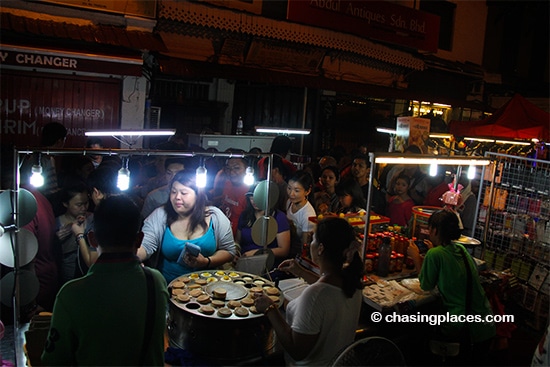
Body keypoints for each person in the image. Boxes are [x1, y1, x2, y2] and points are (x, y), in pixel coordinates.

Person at [41, 195, 169, 366]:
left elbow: (53, 361)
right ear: (139, 240)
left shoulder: (70, 294)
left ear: (93, 239)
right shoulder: (156, 281)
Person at [254, 217, 363, 366]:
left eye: (313, 240)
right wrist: (300, 271)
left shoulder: (315, 295)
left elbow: (297, 350)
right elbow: (328, 289)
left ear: (320, 248)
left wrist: (270, 309)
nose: (310, 243)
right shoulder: (354, 283)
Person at [410, 209, 496, 363]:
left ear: (435, 230)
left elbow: (425, 284)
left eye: (429, 229)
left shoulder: (434, 254)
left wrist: (416, 257)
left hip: (462, 328)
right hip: (485, 323)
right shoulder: (461, 249)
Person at [138, 170, 236, 283]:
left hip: (207, 287)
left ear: (198, 195)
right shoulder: (160, 215)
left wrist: (206, 261)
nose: (177, 197)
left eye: (184, 193)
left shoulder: (215, 216)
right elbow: (145, 245)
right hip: (168, 285)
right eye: (173, 192)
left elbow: (229, 251)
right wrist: (133, 258)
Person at [235, 186, 291, 266]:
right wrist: (235, 253)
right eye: (251, 197)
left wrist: (257, 253)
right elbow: (237, 241)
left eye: (257, 197)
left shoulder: (279, 217)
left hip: (267, 264)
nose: (254, 200)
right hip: (244, 261)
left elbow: (284, 250)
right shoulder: (245, 215)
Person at [54, 183, 92, 284]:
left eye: (86, 203)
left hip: (89, 272)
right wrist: (56, 240)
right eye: (79, 205)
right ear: (66, 204)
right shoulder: (56, 223)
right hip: (67, 273)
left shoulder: (92, 219)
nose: (84, 208)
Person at [215, 154, 251, 235]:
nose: (231, 172)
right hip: (222, 233)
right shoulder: (227, 183)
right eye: (228, 168)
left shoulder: (250, 191)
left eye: (236, 168)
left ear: (247, 170)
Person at [286, 170, 316, 257]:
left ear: (307, 191)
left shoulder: (308, 215)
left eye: (296, 190)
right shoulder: (289, 202)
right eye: (289, 188)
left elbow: (305, 247)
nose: (291, 194)